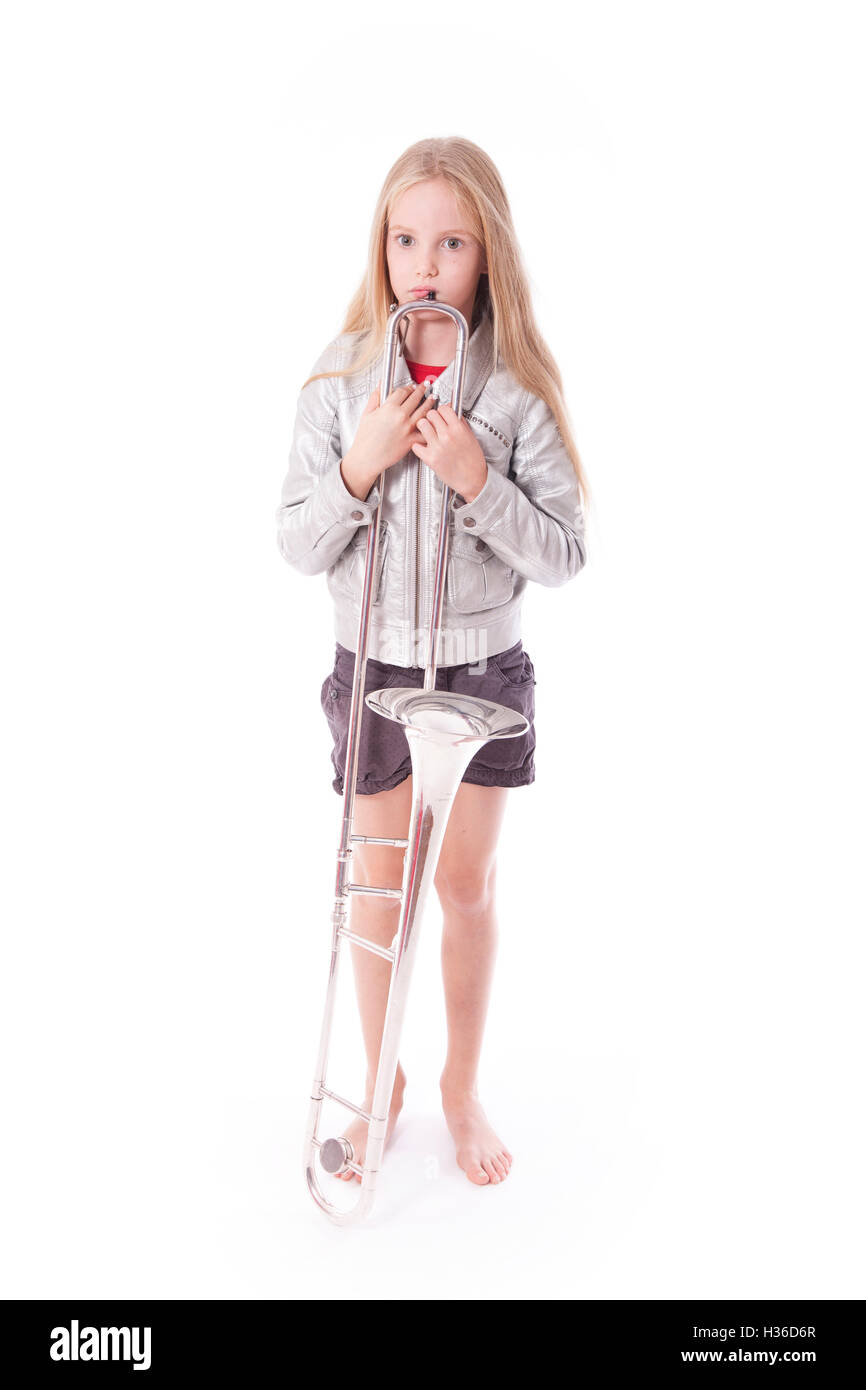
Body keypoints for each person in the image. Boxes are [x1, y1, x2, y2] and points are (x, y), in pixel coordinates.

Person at [276, 137, 589, 1188]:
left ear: (484, 258)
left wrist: (476, 479)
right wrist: (360, 465)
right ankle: (378, 1084)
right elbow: (294, 543)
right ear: (380, 245)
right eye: (406, 237)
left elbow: (566, 553)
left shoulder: (514, 393)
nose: (425, 261)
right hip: (371, 671)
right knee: (374, 890)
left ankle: (459, 1084)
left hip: (480, 675)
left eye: (451, 242)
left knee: (463, 885)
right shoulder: (335, 381)